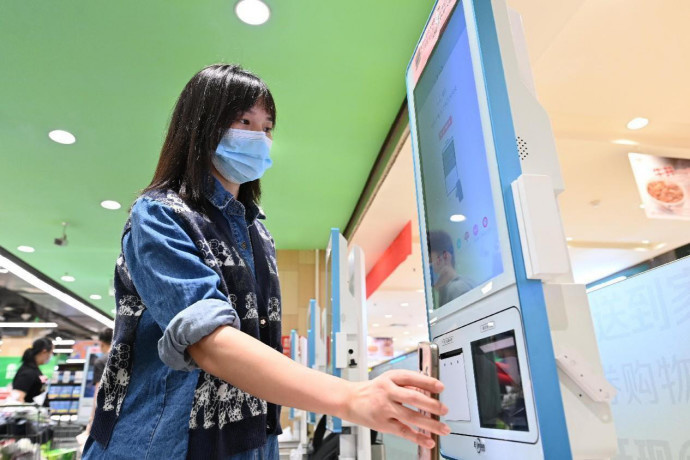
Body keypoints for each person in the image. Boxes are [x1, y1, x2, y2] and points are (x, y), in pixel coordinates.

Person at [83, 64, 448, 460]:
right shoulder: (159, 215)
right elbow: (209, 340)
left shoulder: (258, 234)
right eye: (244, 120)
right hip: (160, 443)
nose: (259, 137)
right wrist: (350, 396)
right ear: (201, 126)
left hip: (250, 441)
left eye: (267, 126)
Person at [428, 230, 475, 309]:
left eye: (430, 261)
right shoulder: (446, 292)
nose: (428, 267)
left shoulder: (457, 289)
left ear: (445, 257)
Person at [10, 337, 53, 403]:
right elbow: (18, 398)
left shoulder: (35, 369)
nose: (50, 356)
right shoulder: (28, 372)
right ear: (44, 352)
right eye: (50, 353)